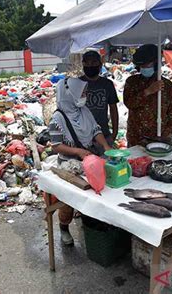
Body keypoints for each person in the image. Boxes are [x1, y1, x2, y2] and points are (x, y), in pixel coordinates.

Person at [48, 77, 112, 245]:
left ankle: (90, 222)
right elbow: (56, 145)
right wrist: (77, 151)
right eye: (82, 93)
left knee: (95, 192)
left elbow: (95, 130)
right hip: (68, 165)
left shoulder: (84, 111)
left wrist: (106, 146)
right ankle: (64, 228)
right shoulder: (57, 118)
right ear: (70, 94)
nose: (85, 96)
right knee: (68, 200)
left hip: (89, 160)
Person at [123, 44, 172, 147]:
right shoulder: (132, 82)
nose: (144, 68)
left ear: (156, 63)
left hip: (160, 139)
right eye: (142, 66)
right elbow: (129, 103)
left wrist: (166, 134)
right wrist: (148, 91)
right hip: (136, 138)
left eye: (148, 65)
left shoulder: (167, 85)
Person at [80, 50, 120, 146]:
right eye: (87, 63)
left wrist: (115, 132)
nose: (90, 66)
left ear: (100, 64)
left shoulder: (107, 84)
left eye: (94, 62)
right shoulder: (77, 83)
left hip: (104, 134)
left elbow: (113, 108)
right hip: (82, 136)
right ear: (83, 64)